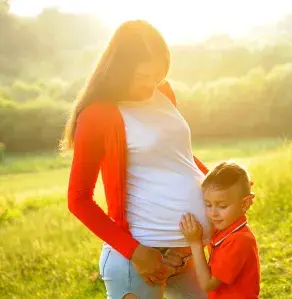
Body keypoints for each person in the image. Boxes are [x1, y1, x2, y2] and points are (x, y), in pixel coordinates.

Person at [64, 19, 212, 299]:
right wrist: (136, 253)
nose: (150, 85)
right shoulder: (98, 115)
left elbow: (175, 155)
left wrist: (220, 183)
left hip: (186, 254)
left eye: (156, 77)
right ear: (119, 69)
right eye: (142, 77)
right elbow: (78, 199)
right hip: (139, 262)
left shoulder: (164, 92)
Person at [180, 161, 260, 299]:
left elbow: (208, 284)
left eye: (222, 206)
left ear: (245, 203)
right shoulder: (225, 230)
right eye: (208, 204)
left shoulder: (238, 240)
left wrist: (195, 243)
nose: (213, 213)